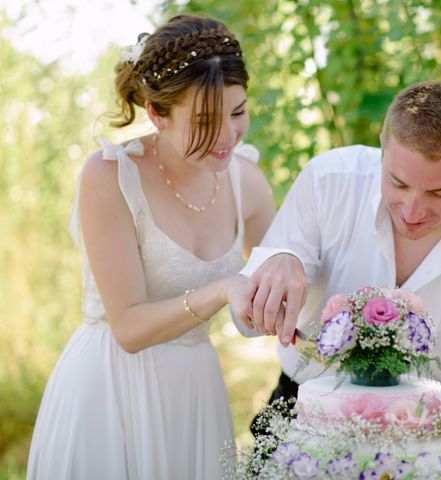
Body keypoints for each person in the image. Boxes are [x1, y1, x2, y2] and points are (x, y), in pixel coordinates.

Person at [26, 14, 273, 479]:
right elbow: (128, 328)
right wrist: (223, 288)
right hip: (110, 390)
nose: (227, 136)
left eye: (238, 113)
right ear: (157, 114)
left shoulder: (249, 184)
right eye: (204, 120)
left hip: (194, 391)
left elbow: (281, 284)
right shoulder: (109, 175)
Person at [237, 80, 441, 429]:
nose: (412, 211)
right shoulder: (327, 182)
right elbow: (245, 325)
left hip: (425, 430)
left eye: (438, 193)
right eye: (399, 183)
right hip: (302, 412)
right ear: (383, 149)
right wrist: (273, 269)